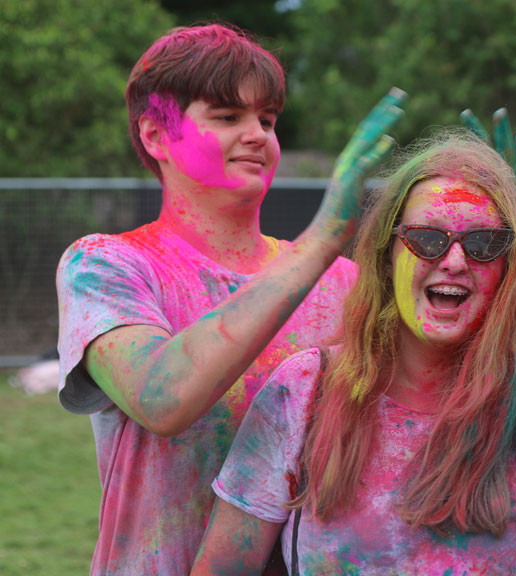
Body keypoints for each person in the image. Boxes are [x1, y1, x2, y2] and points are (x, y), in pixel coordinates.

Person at [56, 23, 405, 576]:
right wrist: (320, 239)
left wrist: (494, 245)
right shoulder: (106, 264)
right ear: (155, 135)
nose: (259, 136)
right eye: (226, 116)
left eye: (267, 119)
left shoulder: (341, 281)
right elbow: (163, 398)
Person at [192, 130, 516, 575]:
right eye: (428, 238)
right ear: (386, 254)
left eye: (483, 244)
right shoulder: (303, 392)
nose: (454, 261)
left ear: (507, 266)